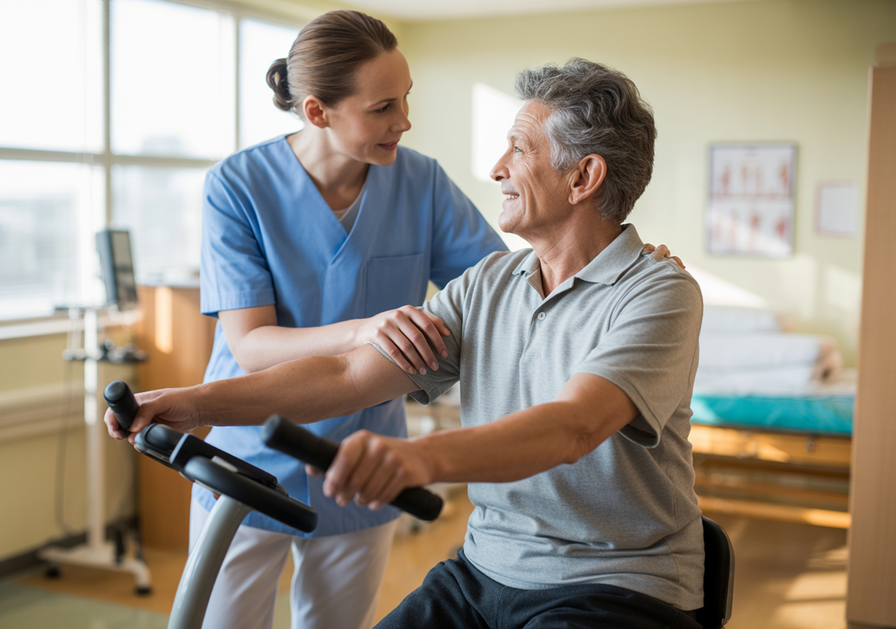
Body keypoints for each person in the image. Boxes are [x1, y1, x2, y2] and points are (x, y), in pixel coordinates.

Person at [112, 56, 703, 628]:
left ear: (584, 177)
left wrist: (417, 459)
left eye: (518, 149)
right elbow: (346, 377)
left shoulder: (658, 294)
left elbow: (574, 426)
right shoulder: (488, 284)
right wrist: (192, 403)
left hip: (611, 582)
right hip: (485, 571)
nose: (497, 168)